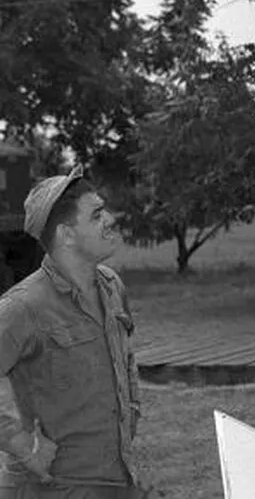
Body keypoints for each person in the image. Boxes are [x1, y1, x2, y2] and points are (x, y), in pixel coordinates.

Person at [0, 167, 147, 498]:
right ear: (67, 235)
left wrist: (133, 406)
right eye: (96, 215)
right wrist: (22, 445)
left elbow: (126, 356)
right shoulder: (22, 307)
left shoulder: (111, 286)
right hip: (52, 489)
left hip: (116, 481)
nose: (109, 219)